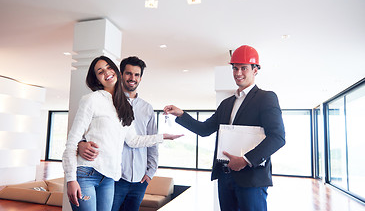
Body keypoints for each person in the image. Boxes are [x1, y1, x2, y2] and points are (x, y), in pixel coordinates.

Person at [163, 45, 285, 211]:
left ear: (255, 70)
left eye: (244, 68)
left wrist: (245, 160)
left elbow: (277, 137)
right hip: (225, 177)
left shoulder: (266, 98)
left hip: (251, 178)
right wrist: (181, 114)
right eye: (235, 68)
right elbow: (204, 129)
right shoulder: (226, 104)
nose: (238, 73)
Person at [62, 56, 182, 211]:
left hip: (109, 178)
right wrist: (71, 179)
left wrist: (162, 137)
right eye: (100, 71)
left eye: (108, 67)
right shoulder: (91, 100)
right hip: (87, 173)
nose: (106, 72)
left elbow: (132, 140)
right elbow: (72, 141)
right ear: (97, 79)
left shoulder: (124, 106)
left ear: (115, 71)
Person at [78, 56, 159, 211]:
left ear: (140, 78)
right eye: (128, 73)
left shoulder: (147, 109)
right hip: (113, 176)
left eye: (136, 75)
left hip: (140, 180)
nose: (132, 78)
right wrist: (80, 144)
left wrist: (150, 172)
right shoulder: (104, 101)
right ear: (120, 74)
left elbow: (150, 142)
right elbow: (85, 131)